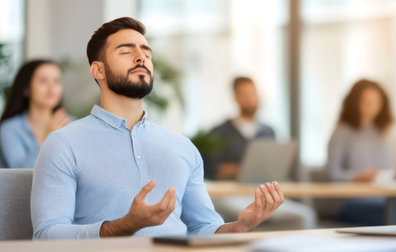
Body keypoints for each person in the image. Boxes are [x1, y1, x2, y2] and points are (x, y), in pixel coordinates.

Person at [31, 17, 284, 240]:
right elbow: (46, 235)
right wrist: (123, 226)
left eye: (146, 52)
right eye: (125, 51)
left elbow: (204, 228)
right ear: (98, 70)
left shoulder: (182, 147)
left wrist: (241, 226)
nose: (141, 57)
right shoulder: (62, 144)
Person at [205, 77, 316, 230]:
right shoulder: (218, 133)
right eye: (245, 94)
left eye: (254, 93)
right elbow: (213, 170)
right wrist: (241, 170)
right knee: (249, 218)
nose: (251, 99)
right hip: (232, 195)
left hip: (262, 192)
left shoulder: (269, 131)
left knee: (304, 216)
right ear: (236, 98)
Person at [324, 79, 396, 225]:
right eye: (366, 101)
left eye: (376, 102)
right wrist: (358, 177)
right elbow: (331, 174)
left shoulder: (380, 132)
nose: (372, 107)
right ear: (355, 102)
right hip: (350, 203)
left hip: (381, 198)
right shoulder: (342, 132)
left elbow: (387, 170)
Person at [0, 60, 70, 168]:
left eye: (56, 81)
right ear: (26, 88)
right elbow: (19, 176)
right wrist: (46, 139)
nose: (51, 87)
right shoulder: (9, 129)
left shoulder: (73, 124)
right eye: (43, 81)